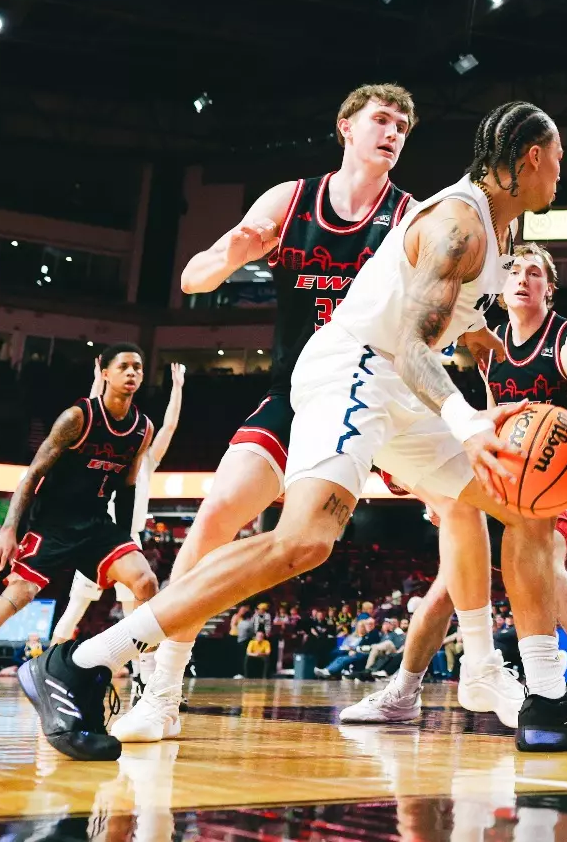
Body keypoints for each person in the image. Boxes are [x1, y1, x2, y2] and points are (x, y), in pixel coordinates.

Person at [31, 102, 567, 760]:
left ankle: (546, 701)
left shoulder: (501, 230)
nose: (561, 172)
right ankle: (82, 662)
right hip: (357, 369)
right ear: (529, 159)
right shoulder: (460, 223)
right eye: (558, 159)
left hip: (403, 389)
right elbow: (409, 343)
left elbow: (438, 321)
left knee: (527, 504)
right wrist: (466, 421)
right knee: (303, 542)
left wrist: (476, 337)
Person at [113, 85, 416, 740]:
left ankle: (461, 672)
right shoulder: (290, 200)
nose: (393, 132)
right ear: (346, 127)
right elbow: (194, 277)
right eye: (382, 120)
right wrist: (231, 253)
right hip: (293, 391)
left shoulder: (409, 216)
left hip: (367, 396)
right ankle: (163, 685)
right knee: (215, 516)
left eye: (403, 126)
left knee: (443, 515)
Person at [342, 242, 567, 729]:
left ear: (550, 287)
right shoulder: (490, 349)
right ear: (500, 290)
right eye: (514, 273)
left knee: (546, 566)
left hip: (559, 477)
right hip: (505, 476)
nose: (523, 279)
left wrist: (537, 449)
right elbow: (487, 421)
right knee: (452, 586)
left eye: (535, 273)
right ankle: (404, 691)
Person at [0, 346, 159, 715]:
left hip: (95, 524)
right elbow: (32, 476)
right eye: (123, 366)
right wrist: (8, 529)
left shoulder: (143, 428)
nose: (132, 373)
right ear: (104, 372)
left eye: (138, 367)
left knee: (145, 582)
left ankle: (147, 680)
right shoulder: (77, 418)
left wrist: (124, 541)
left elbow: (127, 486)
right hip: (53, 522)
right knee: (18, 594)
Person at [50, 361, 186, 652]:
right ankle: (46, 662)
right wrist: (98, 381)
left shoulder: (146, 460)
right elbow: (92, 415)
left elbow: (170, 426)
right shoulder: (107, 449)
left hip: (127, 540)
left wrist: (177, 388)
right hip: (97, 535)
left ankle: (142, 677)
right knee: (75, 609)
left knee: (135, 615)